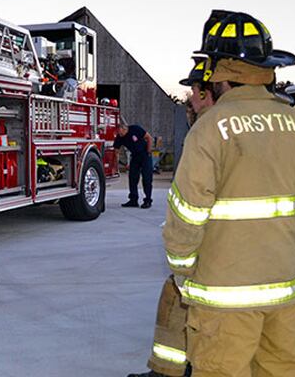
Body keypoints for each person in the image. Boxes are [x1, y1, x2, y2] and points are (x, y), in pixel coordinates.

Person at [163, 10, 295, 376]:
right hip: (284, 295)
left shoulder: (210, 128)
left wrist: (184, 271)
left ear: (219, 72)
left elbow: (187, 213)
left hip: (221, 299)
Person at [128, 57, 213, 377]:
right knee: (174, 304)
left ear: (206, 93)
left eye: (193, 90)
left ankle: (175, 370)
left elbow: (194, 203)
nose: (189, 98)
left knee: (185, 306)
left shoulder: (209, 130)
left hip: (212, 253)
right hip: (239, 254)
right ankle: (170, 369)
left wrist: (182, 259)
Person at [114, 123, 155, 208]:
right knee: (132, 178)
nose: (120, 135)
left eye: (121, 133)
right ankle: (133, 200)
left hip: (145, 155)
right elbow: (116, 150)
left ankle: (147, 200)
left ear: (125, 129)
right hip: (135, 156)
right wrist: (119, 163)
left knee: (147, 178)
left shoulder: (135, 129)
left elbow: (149, 138)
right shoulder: (120, 137)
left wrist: (149, 151)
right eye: (119, 133)